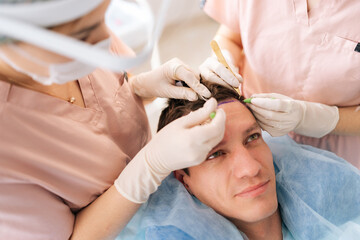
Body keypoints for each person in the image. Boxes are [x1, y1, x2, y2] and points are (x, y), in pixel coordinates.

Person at [0, 0, 227, 239]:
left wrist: (140, 87)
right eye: (83, 35)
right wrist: (150, 166)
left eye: (104, 18)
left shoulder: (84, 21)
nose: (105, 40)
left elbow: (112, 85)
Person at [119, 82, 360, 240]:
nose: (251, 168)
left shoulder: (334, 205)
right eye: (215, 154)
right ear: (185, 181)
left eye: (252, 137)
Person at [199, 0, 360, 168]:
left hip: (340, 152)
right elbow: (230, 36)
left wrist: (315, 118)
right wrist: (223, 59)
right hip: (254, 126)